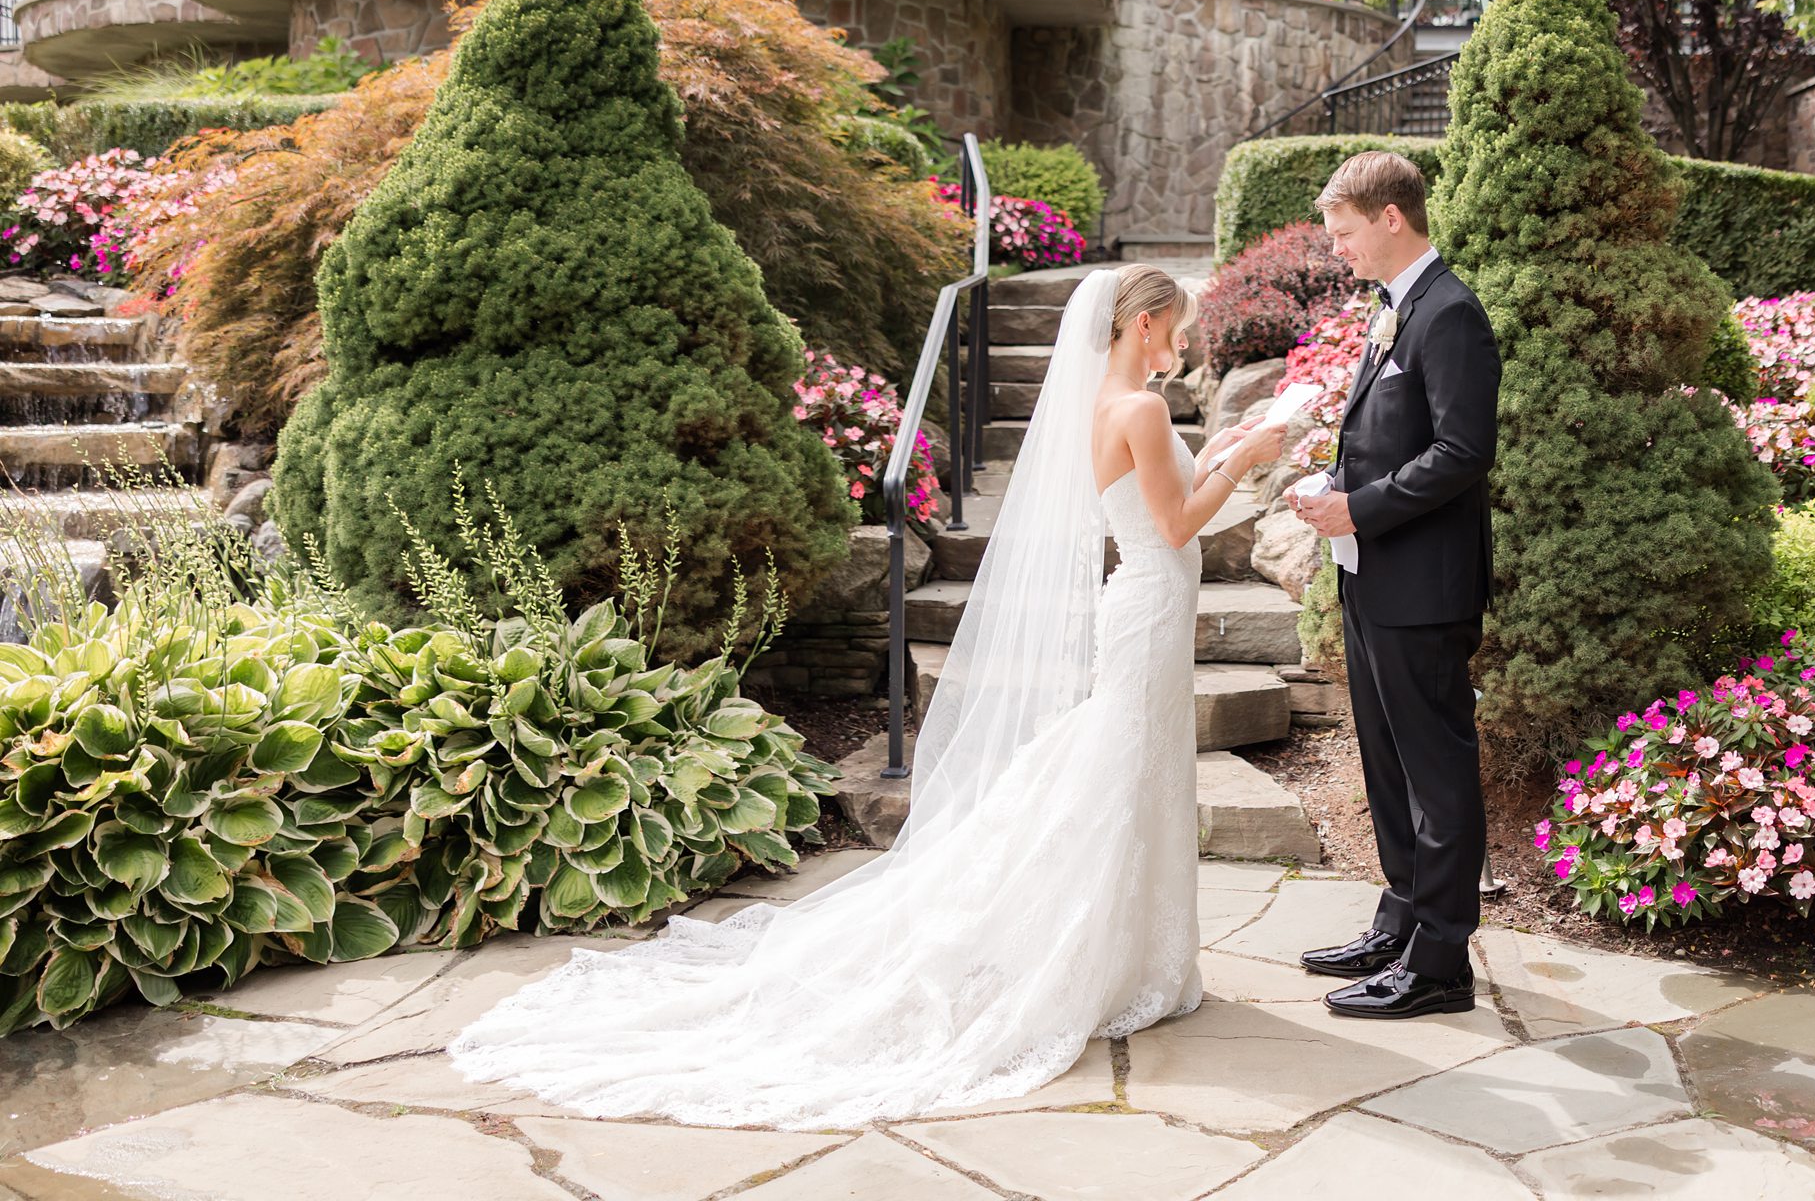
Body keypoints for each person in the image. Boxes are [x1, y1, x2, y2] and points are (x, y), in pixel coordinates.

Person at [449, 267, 1289, 1129]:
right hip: (1148, 607)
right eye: (1177, 327)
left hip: (1144, 603)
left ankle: (1129, 955)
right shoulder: (1143, 409)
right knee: (1121, 773)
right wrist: (1251, 462)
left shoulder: (1105, 402)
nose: (1183, 343)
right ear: (1143, 324)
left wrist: (1227, 456)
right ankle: (1097, 954)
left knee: (1127, 772)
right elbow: (1178, 526)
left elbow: (1167, 508)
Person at [1290, 150, 1500, 1020]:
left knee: (1437, 776)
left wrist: (1359, 509)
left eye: (1343, 233)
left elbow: (1462, 453)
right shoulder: (1395, 310)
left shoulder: (1450, 314)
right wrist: (1335, 494)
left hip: (1424, 586)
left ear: (1389, 218)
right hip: (1374, 578)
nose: (1337, 250)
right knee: (1387, 766)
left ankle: (1442, 962)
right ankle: (1402, 922)